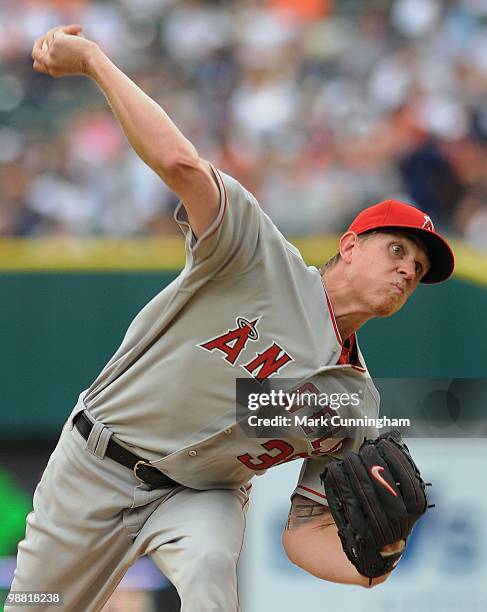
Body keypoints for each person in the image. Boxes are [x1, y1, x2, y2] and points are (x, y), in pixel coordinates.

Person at [7, 25, 454, 612]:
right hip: (96, 464)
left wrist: (379, 565)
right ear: (349, 245)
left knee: (212, 577)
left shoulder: (354, 406)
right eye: (396, 250)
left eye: (418, 269)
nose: (407, 271)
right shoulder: (256, 255)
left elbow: (302, 536)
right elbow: (177, 162)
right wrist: (93, 60)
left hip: (201, 495)